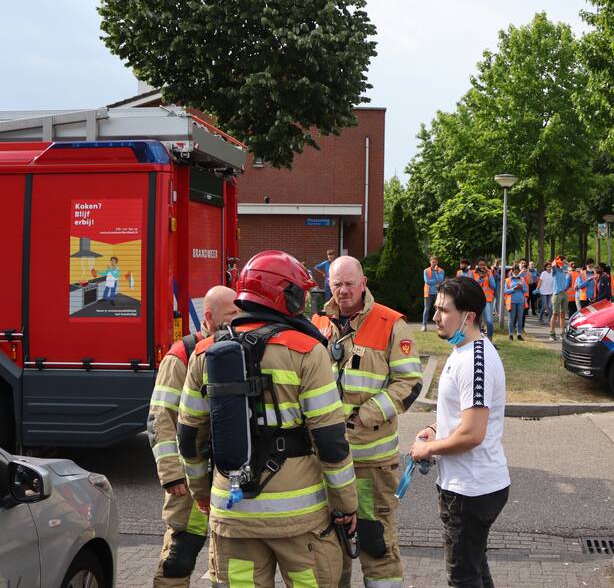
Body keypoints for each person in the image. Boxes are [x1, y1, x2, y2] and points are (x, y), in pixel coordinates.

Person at [177, 251, 357, 587]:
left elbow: (189, 438)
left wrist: (203, 495)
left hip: (232, 513)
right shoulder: (307, 350)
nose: (303, 302)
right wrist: (346, 505)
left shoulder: (204, 352)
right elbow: (331, 441)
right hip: (298, 521)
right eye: (298, 294)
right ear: (283, 296)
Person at [311, 256, 422, 588]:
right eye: (336, 284)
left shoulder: (390, 323)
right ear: (328, 285)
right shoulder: (317, 323)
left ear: (363, 283)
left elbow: (410, 383)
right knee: (329, 547)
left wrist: (365, 415)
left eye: (349, 284)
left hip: (371, 460)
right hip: (327, 460)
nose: (343, 291)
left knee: (376, 542)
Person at [410, 277, 510, 588]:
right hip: (468, 486)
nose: (435, 316)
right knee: (475, 569)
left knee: (463, 578)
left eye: (443, 310)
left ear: (468, 316)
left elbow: (472, 433)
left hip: (470, 490)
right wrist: (433, 428)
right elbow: (461, 416)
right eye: (436, 308)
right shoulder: (464, 352)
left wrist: (429, 450)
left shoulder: (475, 360)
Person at [149, 286, 240, 587]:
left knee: (228, 559)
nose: (238, 319)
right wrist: (173, 475)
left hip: (226, 476)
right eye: (232, 314)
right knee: (179, 556)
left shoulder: (238, 351)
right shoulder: (181, 356)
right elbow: (161, 418)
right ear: (210, 317)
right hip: (188, 479)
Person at [471, 259, 497, 340]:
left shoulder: (489, 273)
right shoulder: (473, 273)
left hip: (487, 300)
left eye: (483, 264)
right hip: (476, 299)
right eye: (480, 264)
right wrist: (480, 278)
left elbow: (493, 286)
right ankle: (477, 339)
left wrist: (489, 275)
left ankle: (490, 340)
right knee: (476, 321)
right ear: (478, 265)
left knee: (489, 321)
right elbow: (473, 285)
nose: (482, 266)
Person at [548, 257, 570, 342]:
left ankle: (562, 333)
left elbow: (568, 265)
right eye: (561, 261)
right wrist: (556, 261)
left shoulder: (563, 269)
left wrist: (564, 262)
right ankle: (552, 333)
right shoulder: (555, 270)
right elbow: (553, 265)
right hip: (556, 294)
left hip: (564, 294)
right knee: (555, 314)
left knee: (563, 315)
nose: (562, 263)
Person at [422, 256, 445, 332]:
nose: (434, 264)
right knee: (427, 309)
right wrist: (436, 280)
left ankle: (439, 325)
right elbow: (427, 281)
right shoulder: (426, 271)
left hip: (438, 293)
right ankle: (424, 325)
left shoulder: (441, 270)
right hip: (428, 293)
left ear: (437, 262)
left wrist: (435, 272)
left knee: (438, 309)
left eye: (435, 262)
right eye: (433, 262)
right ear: (430, 262)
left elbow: (441, 280)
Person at [504, 266, 528, 341]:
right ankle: (510, 334)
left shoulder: (522, 279)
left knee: (520, 318)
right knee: (511, 318)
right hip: (512, 301)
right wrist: (513, 289)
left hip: (520, 301)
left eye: (517, 270)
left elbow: (525, 290)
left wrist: (521, 288)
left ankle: (519, 334)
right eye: (514, 270)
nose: (516, 271)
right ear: (512, 271)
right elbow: (505, 291)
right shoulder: (508, 280)